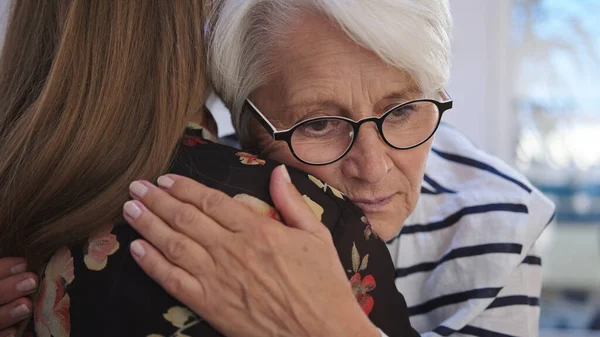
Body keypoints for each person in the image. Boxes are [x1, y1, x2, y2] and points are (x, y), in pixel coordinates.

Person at [1, 0, 556, 336]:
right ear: (246, 127)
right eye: (318, 123)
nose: (371, 166)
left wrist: (328, 327)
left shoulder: (502, 221)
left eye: (405, 110)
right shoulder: (204, 171)